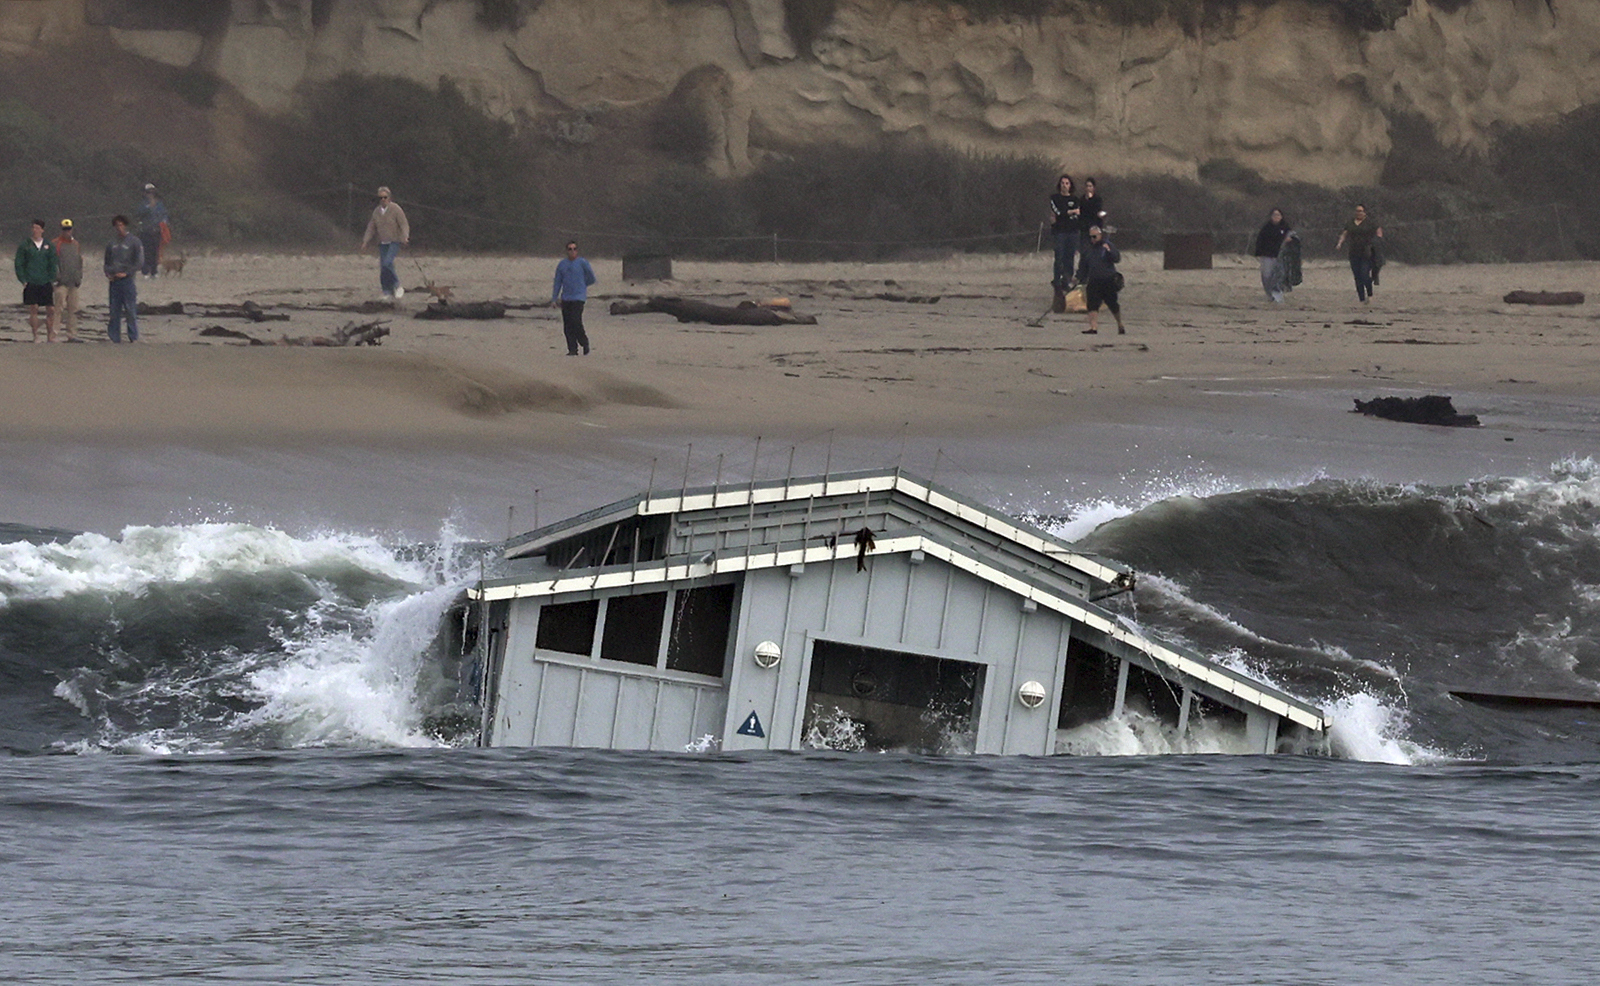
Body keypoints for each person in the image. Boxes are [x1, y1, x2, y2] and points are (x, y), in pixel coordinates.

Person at [360, 186, 410, 299]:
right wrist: (365, 241)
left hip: (394, 241)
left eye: (385, 197)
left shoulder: (396, 209)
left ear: (389, 198)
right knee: (383, 267)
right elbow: (371, 227)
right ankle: (386, 291)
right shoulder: (376, 212)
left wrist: (405, 237)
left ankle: (397, 286)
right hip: (382, 243)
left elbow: (404, 224)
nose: (383, 200)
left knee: (388, 263)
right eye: (380, 198)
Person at [14, 220, 58, 343]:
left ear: (42, 230)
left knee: (50, 309)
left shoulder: (48, 245)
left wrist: (52, 279)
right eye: (33, 228)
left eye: (38, 228)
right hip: (31, 281)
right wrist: (23, 279)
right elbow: (19, 263)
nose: (35, 230)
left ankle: (50, 335)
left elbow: (53, 263)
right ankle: (35, 335)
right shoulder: (25, 245)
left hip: (45, 281)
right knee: (34, 308)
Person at [1076, 225, 1124, 335]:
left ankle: (1120, 324)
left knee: (1112, 304)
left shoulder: (1107, 245)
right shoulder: (1087, 249)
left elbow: (1117, 258)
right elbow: (1083, 265)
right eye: (1090, 237)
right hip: (1093, 280)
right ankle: (1093, 327)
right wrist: (1079, 277)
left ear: (1100, 235)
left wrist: (1109, 251)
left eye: (1094, 236)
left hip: (1108, 279)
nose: (1092, 239)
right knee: (1092, 304)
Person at [551, 240, 596, 355]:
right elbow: (557, 282)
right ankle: (572, 349)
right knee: (567, 324)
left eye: (574, 249)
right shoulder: (562, 264)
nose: (572, 251)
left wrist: (582, 285)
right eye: (570, 249)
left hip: (578, 297)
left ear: (577, 251)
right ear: (567, 251)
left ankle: (584, 342)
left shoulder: (582, 263)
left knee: (576, 321)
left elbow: (592, 278)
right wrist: (554, 299)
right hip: (566, 298)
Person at [104, 214, 144, 343]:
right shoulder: (111, 243)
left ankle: (133, 336)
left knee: (130, 309)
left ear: (125, 225)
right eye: (116, 225)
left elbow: (139, 262)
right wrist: (108, 273)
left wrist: (127, 273)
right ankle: (114, 337)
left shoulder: (134, 241)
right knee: (114, 311)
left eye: (121, 225)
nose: (119, 228)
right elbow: (107, 261)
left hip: (127, 281)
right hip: (114, 281)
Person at [1335, 204, 1383, 303]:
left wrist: (1377, 241)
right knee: (1357, 276)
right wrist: (1340, 243)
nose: (1358, 213)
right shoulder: (1350, 223)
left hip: (1367, 252)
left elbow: (1379, 231)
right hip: (1353, 252)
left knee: (1364, 274)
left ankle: (1370, 295)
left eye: (1361, 211)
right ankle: (1361, 299)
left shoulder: (1370, 222)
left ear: (1364, 212)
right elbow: (1345, 233)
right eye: (1357, 211)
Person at [1048, 174, 1081, 290]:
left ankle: (1066, 281)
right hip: (1060, 232)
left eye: (1067, 183)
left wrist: (1071, 214)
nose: (1064, 186)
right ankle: (1056, 280)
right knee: (1059, 257)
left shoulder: (1076, 199)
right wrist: (1071, 212)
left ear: (1070, 185)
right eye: (1062, 183)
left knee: (1070, 258)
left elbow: (1079, 214)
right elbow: (1058, 212)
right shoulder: (1054, 198)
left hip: (1072, 232)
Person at [1252, 208, 1293, 303]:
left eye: (1278, 215)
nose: (1276, 217)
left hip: (1280, 256)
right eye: (1274, 215)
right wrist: (1259, 253)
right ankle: (1269, 294)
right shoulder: (1266, 228)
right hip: (1267, 255)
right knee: (1267, 275)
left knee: (1279, 275)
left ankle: (1277, 294)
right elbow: (1260, 241)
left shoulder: (1285, 227)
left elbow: (1293, 240)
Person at [53, 219, 84, 341]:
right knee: (58, 308)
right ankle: (54, 334)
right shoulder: (55, 243)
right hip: (61, 283)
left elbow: (79, 262)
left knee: (73, 309)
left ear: (72, 229)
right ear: (61, 230)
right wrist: (57, 278)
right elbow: (52, 263)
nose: (67, 231)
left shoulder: (76, 244)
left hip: (73, 283)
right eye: (64, 229)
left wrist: (79, 277)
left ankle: (72, 334)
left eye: (69, 229)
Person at [135, 183, 169, 277]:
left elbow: (164, 214)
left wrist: (164, 222)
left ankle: (154, 271)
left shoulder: (159, 203)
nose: (151, 194)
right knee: (146, 251)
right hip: (145, 231)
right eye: (148, 192)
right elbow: (138, 213)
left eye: (152, 192)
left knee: (155, 251)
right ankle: (145, 271)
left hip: (156, 231)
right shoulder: (143, 204)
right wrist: (148, 207)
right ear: (145, 193)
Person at [1079, 176, 1107, 268]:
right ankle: (1082, 276)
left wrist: (1090, 200)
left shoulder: (1097, 199)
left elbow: (1096, 212)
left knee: (1094, 253)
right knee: (1084, 253)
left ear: (1094, 188)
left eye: (1090, 186)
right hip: (1084, 229)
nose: (1088, 188)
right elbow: (1081, 213)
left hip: (1095, 229)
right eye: (1087, 186)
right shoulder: (1081, 199)